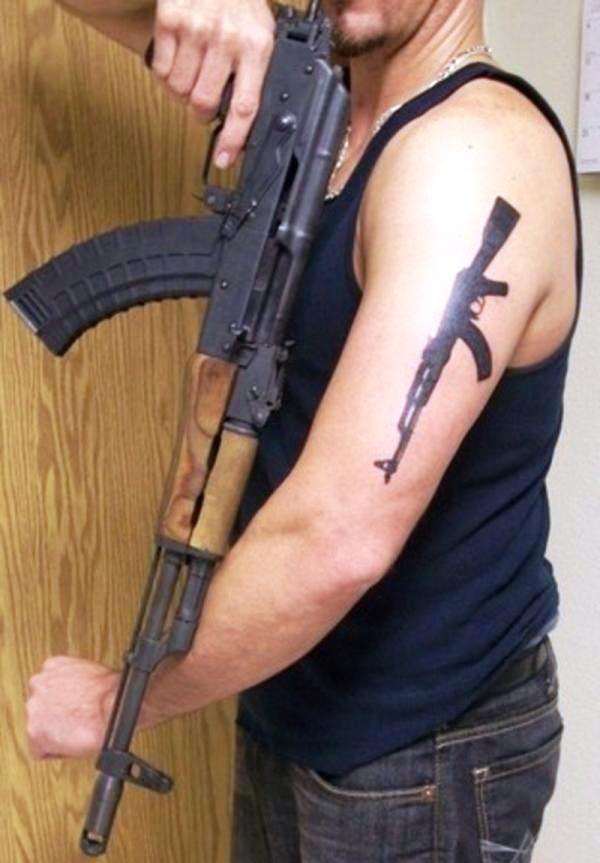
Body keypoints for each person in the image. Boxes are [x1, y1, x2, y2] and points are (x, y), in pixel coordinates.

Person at [26, 1, 581, 860]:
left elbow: (338, 536)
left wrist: (116, 706)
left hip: (419, 747)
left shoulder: (469, 156)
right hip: (293, 692)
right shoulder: (309, 98)